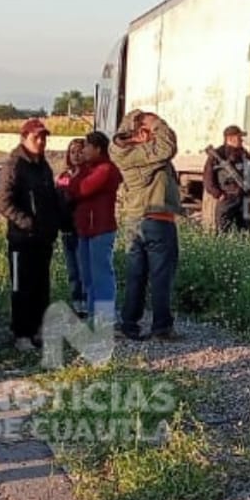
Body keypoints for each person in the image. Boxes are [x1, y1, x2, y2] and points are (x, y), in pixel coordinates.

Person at [111, 110, 183, 341]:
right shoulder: (139, 153)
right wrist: (157, 123)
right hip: (156, 218)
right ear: (140, 132)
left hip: (134, 220)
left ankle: (129, 324)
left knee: (136, 275)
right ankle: (161, 327)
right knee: (161, 275)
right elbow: (168, 146)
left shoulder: (121, 152)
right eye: (148, 130)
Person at [0, 118, 65, 351]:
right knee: (21, 287)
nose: (42, 141)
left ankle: (38, 329)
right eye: (37, 136)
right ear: (24, 137)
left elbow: (51, 199)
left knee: (40, 287)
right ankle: (21, 333)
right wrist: (28, 223)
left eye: (44, 137)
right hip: (21, 240)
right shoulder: (14, 165)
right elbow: (4, 203)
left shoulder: (43, 166)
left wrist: (56, 222)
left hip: (43, 239)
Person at [65, 131, 123, 326]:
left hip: (101, 229)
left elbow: (80, 189)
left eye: (88, 147)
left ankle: (106, 317)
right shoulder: (88, 169)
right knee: (87, 275)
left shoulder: (105, 169)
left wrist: (77, 177)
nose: (84, 151)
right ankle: (92, 314)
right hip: (85, 229)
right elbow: (72, 188)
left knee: (101, 274)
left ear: (98, 149)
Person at [204, 125, 250, 232]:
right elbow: (208, 178)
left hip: (243, 198)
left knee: (244, 231)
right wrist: (219, 194)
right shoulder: (218, 154)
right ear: (230, 138)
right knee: (223, 230)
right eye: (239, 137)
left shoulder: (244, 153)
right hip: (227, 197)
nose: (241, 140)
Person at [57, 138, 89, 317]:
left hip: (82, 228)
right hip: (66, 228)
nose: (76, 155)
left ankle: (86, 301)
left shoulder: (88, 174)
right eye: (73, 152)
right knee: (72, 270)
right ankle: (76, 302)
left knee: (84, 268)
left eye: (79, 151)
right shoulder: (63, 176)